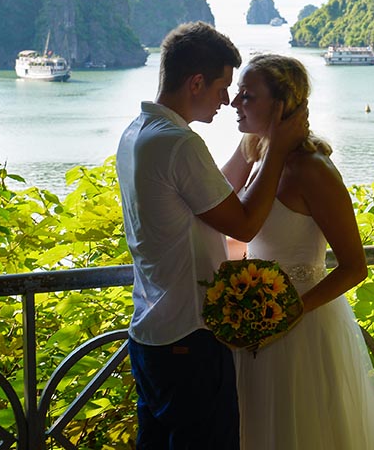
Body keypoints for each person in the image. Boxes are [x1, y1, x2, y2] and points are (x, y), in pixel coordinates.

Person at [116, 23, 309, 449]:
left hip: (150, 332)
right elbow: (242, 224)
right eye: (223, 87)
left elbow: (213, 193)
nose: (228, 100)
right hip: (189, 336)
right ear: (197, 82)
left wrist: (255, 144)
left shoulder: (137, 133)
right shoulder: (179, 143)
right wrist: (276, 146)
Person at [222, 53, 374, 450]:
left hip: (303, 325)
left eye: (247, 96)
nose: (234, 103)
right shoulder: (255, 150)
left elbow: (355, 267)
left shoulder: (313, 170)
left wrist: (287, 313)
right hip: (254, 318)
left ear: (280, 105)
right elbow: (216, 195)